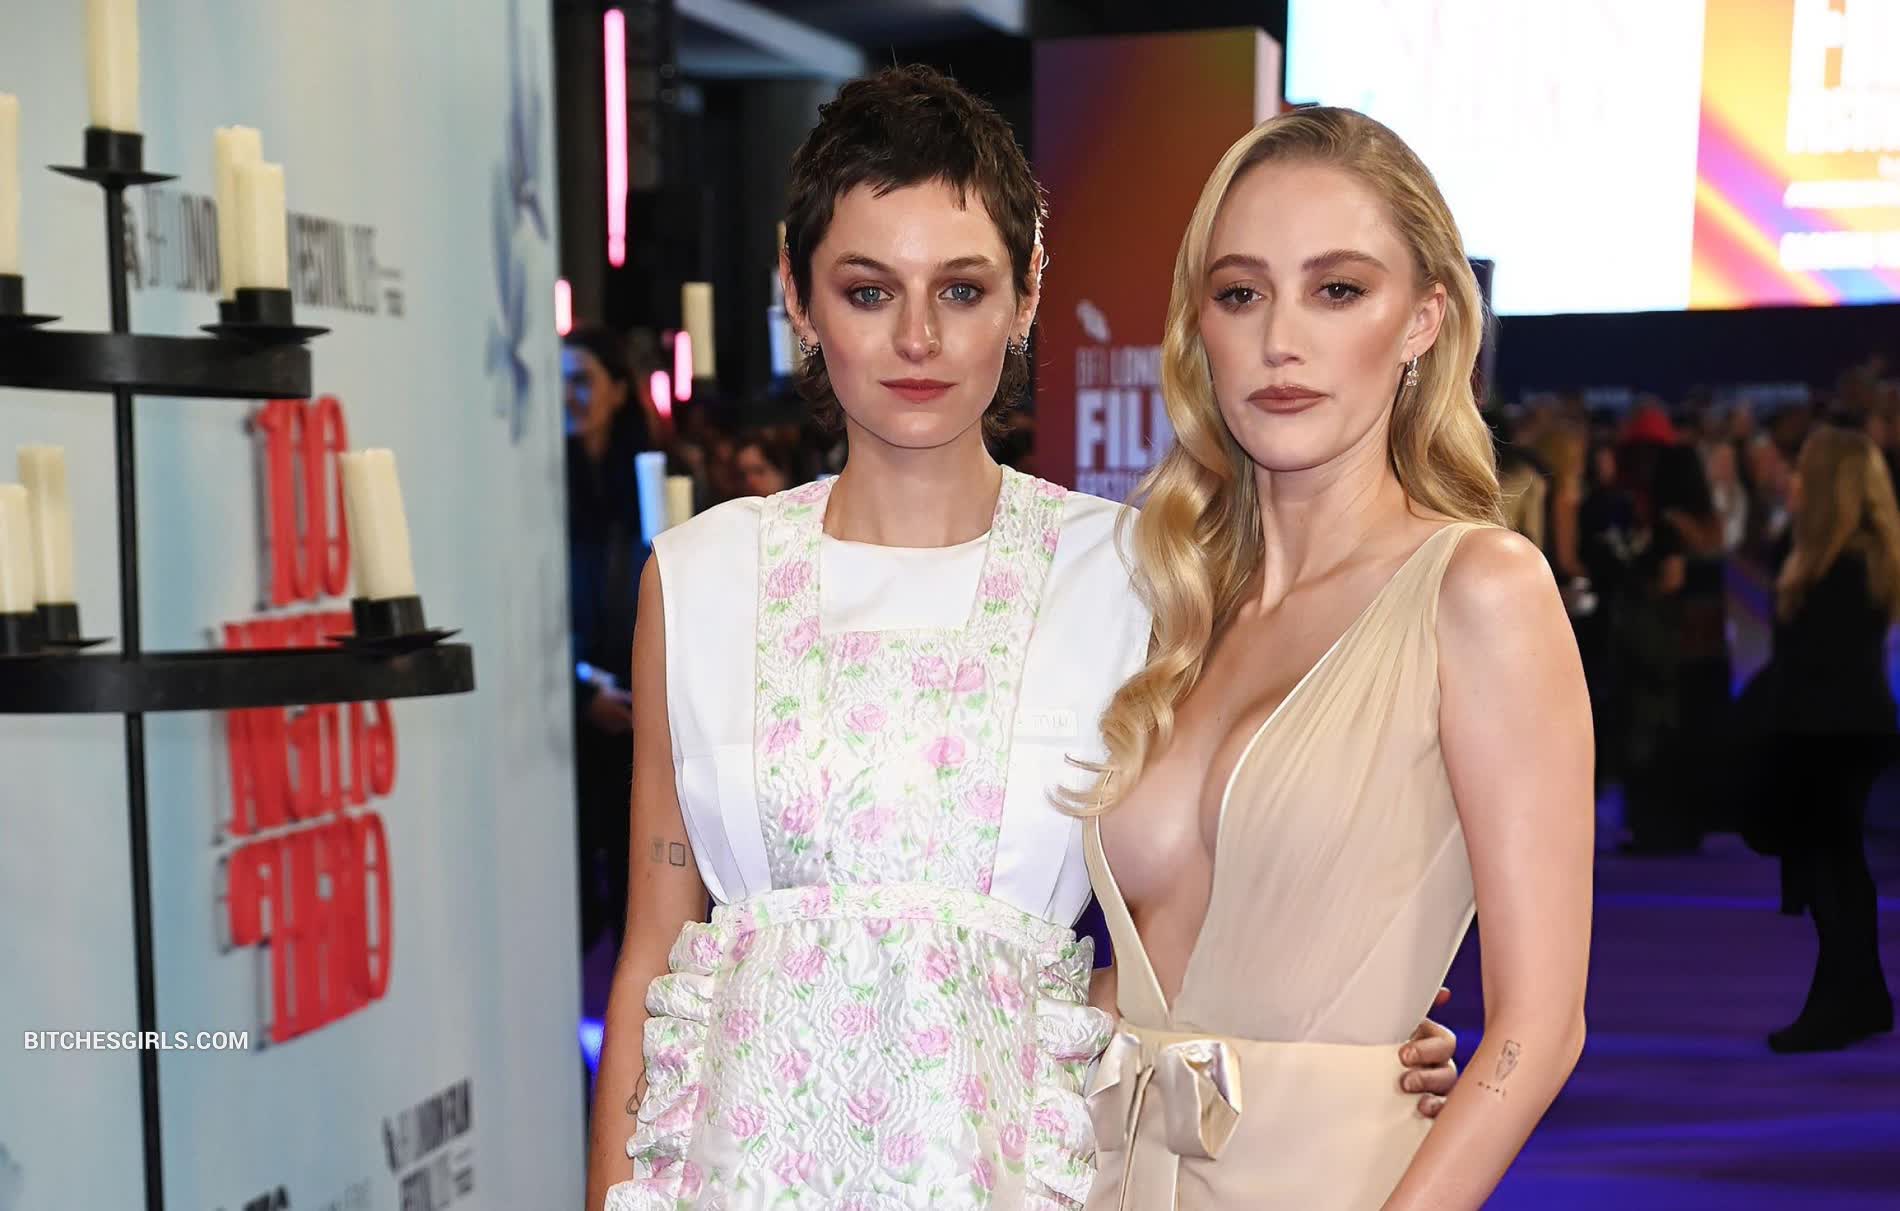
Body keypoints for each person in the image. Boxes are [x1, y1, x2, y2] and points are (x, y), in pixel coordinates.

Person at [588, 68, 1458, 1211]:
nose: (916, 337)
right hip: (730, 1175)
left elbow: (1210, 911)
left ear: (1028, 292)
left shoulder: (1139, 573)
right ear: (797, 295)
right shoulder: (698, 576)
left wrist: (1343, 1030)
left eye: (961, 288)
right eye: (866, 290)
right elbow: (654, 957)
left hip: (1025, 1168)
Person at [1075, 108, 1593, 1210]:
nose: (1281, 340)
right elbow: (1155, 972)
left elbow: (1541, 1026)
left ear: (1424, 320)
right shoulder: (1176, 610)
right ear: (1200, 327)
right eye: (1240, 293)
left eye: (1338, 289)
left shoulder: (1478, 592)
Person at [1739, 426, 1898, 1052]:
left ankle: (1843, 1002)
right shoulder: (1836, 554)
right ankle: (1861, 995)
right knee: (1837, 868)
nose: (1792, 480)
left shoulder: (1847, 564)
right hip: (1837, 729)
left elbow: (1817, 663)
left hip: (1829, 733)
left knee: (1833, 871)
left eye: (1804, 471)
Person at [565, 324, 653, 955]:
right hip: (568, 719)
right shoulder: (542, 488)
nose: (567, 396)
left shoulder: (651, 482)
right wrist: (579, 693)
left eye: (581, 380)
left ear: (619, 390)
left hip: (642, 709)